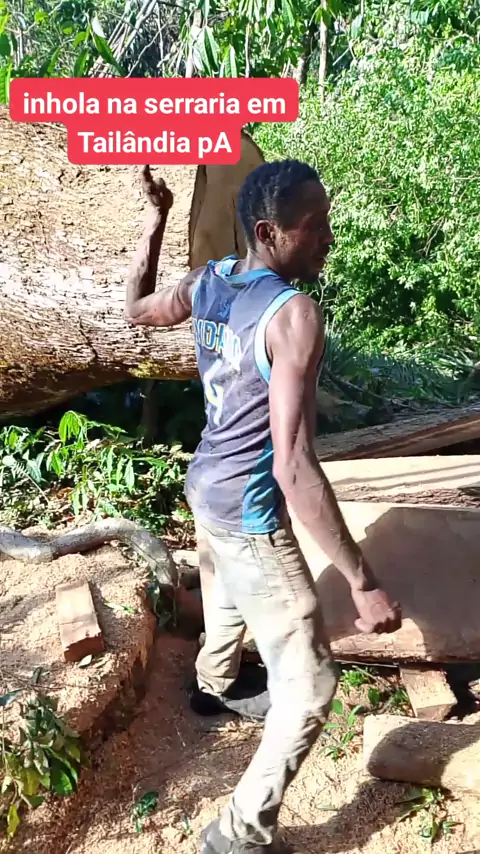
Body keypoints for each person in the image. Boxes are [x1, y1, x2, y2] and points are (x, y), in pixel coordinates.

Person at [125, 158, 402, 854]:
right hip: (248, 509)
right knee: (309, 685)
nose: (328, 238)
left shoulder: (210, 280)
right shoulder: (294, 315)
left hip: (205, 483)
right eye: (315, 226)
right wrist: (362, 580)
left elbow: (137, 308)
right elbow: (294, 467)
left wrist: (156, 221)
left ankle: (212, 684)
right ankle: (239, 834)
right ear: (268, 232)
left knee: (224, 591)